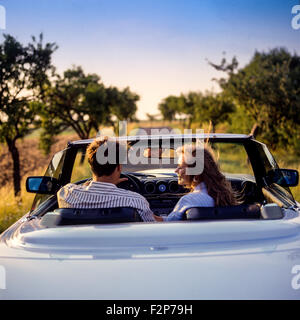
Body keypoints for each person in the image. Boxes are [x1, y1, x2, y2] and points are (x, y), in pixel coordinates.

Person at [58, 136, 160, 222]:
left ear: (91, 167)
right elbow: (154, 226)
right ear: (119, 167)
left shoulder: (67, 193)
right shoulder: (136, 201)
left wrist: (88, 184)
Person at [165, 144, 238, 221]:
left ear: (196, 174)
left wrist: (150, 214)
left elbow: (167, 225)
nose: (176, 171)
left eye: (180, 167)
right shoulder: (224, 196)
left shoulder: (189, 200)